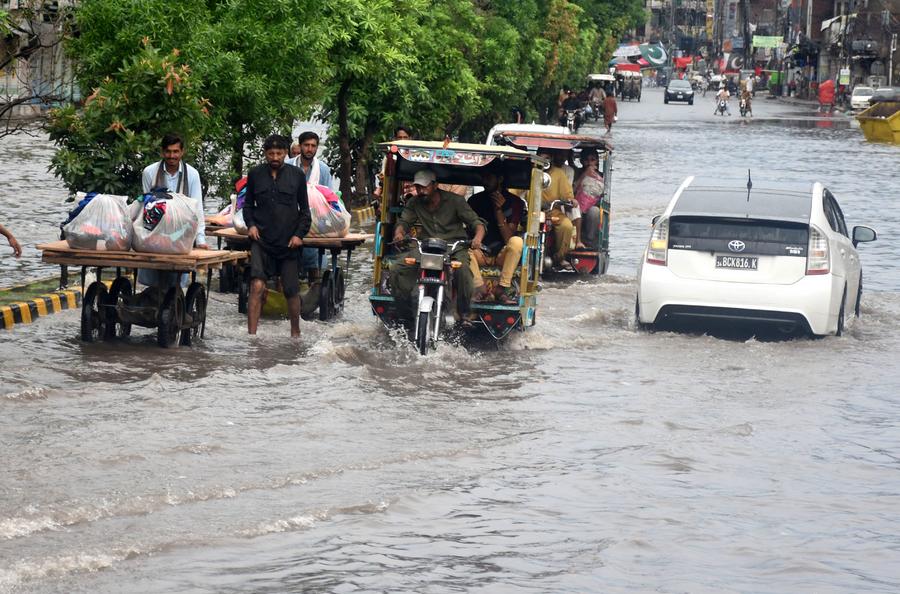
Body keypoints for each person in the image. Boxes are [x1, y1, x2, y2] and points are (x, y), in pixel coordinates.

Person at [390, 169, 485, 324]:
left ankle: (464, 312)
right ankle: (405, 312)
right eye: (418, 187)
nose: (421, 191)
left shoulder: (455, 201)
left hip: (454, 248)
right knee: (397, 269)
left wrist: (477, 239)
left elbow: (476, 223)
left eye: (424, 187)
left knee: (463, 273)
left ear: (435, 185)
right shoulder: (414, 202)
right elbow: (403, 222)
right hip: (425, 247)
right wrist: (399, 234)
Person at [242, 134, 311, 337]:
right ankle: (251, 336)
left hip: (288, 242)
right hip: (261, 240)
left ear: (285, 154)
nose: (275, 157)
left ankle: (295, 333)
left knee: (291, 290)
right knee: (256, 285)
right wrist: (251, 225)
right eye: (271, 153)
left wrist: (299, 235)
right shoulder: (255, 174)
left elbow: (305, 212)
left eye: (279, 153)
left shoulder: (297, 175)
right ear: (265, 154)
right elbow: (247, 206)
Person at [138, 133, 208, 289]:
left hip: (181, 232)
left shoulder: (192, 174)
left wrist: (201, 239)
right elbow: (146, 206)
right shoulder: (149, 172)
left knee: (175, 280)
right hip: (155, 232)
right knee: (153, 278)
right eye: (168, 152)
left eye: (176, 152)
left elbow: (197, 209)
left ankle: (172, 301)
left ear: (182, 152)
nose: (172, 156)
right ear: (163, 152)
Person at [467, 167, 524, 304]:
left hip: (502, 255)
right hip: (479, 252)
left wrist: (499, 210)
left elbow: (508, 238)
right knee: (462, 249)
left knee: (517, 241)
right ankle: (479, 288)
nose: (484, 181)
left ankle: (502, 288)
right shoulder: (474, 201)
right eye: (483, 177)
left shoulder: (515, 202)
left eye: (489, 177)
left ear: (500, 179)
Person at [287, 131, 333, 282]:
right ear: (300, 147)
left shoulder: (323, 169)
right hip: (290, 219)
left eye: (313, 146)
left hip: (315, 222)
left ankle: (316, 285)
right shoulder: (287, 166)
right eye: (306, 145)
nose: (309, 149)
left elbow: (328, 197)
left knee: (314, 260)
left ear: (317, 148)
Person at [540, 149, 576, 270]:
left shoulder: (559, 173)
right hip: (532, 211)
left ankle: (559, 257)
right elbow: (516, 191)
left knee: (567, 226)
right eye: (541, 158)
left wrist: (570, 199)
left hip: (552, 211)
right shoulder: (530, 171)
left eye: (547, 158)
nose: (544, 161)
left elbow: (567, 193)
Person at [373, 125, 415, 205]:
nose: (402, 140)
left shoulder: (416, 156)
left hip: (413, 196)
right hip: (393, 197)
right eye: (400, 137)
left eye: (405, 137)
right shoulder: (389, 157)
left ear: (410, 138)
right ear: (395, 139)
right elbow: (383, 177)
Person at [573, 148, 605, 250]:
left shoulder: (602, 176)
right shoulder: (577, 173)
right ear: (582, 161)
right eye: (586, 160)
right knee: (576, 210)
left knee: (594, 212)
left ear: (597, 161)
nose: (589, 163)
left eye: (592, 160)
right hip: (576, 206)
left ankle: (589, 244)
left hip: (593, 208)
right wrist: (584, 175)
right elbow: (572, 189)